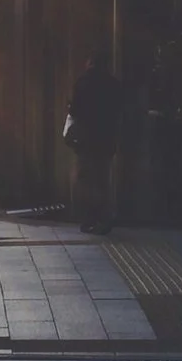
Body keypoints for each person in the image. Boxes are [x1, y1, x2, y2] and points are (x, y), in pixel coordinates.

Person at [65, 54, 125, 232]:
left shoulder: (82, 83)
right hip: (106, 139)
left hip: (86, 140)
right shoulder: (113, 84)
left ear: (89, 64)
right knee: (102, 179)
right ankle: (104, 215)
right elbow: (119, 110)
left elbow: (74, 110)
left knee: (86, 179)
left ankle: (89, 217)